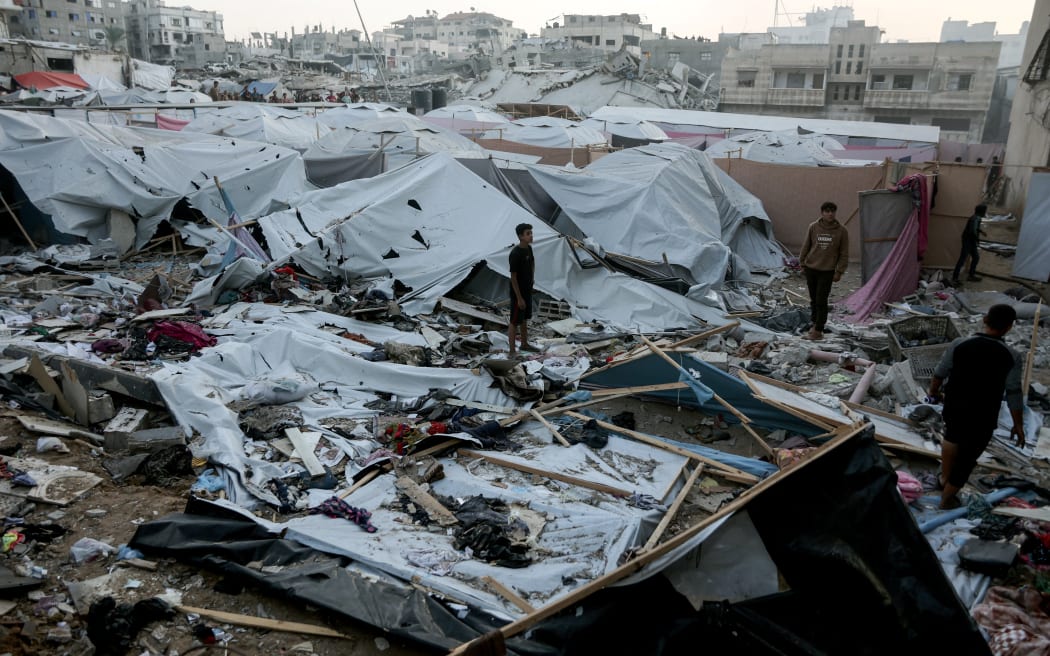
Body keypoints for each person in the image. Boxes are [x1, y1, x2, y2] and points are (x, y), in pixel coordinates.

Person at [927, 304, 1025, 509]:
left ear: (985, 320)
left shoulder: (960, 344)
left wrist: (934, 392)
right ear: (1009, 327)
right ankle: (947, 498)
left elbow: (939, 373)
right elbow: (1014, 392)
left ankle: (945, 478)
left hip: (955, 404)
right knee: (968, 456)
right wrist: (1018, 424)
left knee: (952, 436)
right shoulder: (1012, 356)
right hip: (984, 412)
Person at [798, 201, 849, 341]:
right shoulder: (813, 227)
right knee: (814, 299)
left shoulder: (841, 231)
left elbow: (844, 253)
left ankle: (819, 329)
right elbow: (806, 245)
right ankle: (814, 323)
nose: (830, 213)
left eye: (832, 211)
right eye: (827, 211)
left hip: (827, 270)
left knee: (821, 299)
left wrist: (839, 271)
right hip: (811, 268)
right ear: (822, 213)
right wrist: (802, 263)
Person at [507, 223, 536, 356]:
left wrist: (532, 279)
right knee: (514, 321)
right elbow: (513, 277)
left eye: (531, 233)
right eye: (528, 233)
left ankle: (524, 344)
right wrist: (519, 298)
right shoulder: (515, 253)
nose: (531, 236)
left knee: (524, 319)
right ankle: (512, 351)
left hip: (527, 289)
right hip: (517, 292)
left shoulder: (528, 249)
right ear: (520, 236)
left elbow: (532, 264)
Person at [952, 203, 986, 284]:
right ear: (982, 212)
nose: (985, 213)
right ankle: (955, 277)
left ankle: (970, 275)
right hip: (968, 241)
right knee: (963, 259)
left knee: (975, 257)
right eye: (985, 211)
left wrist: (981, 232)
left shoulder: (976, 218)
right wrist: (977, 240)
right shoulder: (975, 219)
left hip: (970, 240)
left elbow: (975, 229)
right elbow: (973, 231)